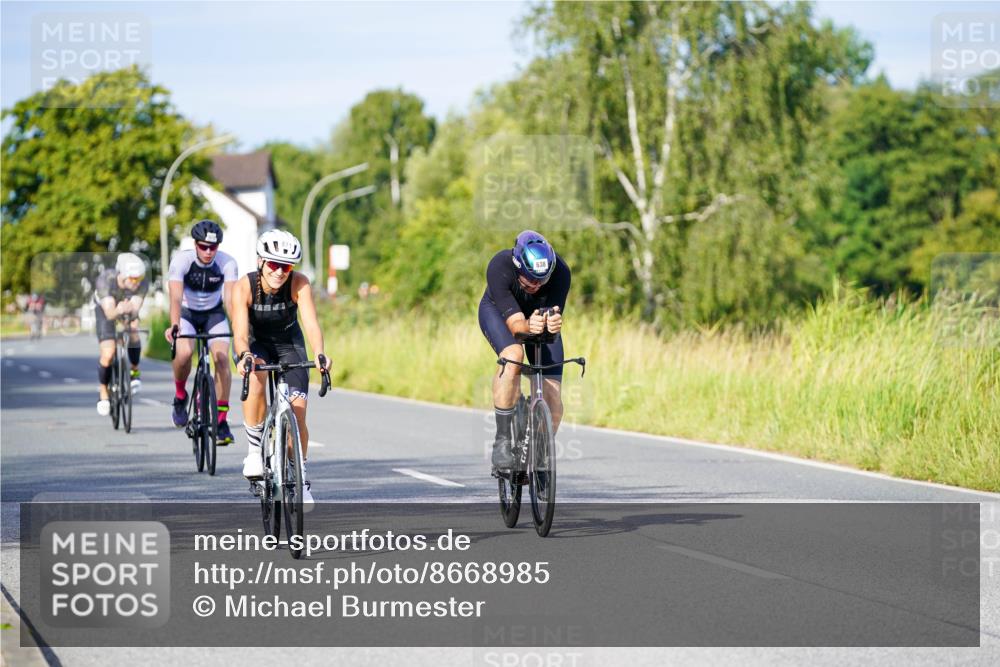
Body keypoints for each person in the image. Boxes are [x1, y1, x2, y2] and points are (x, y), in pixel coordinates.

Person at [231, 230, 331, 506]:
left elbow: (311, 324)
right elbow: (239, 333)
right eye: (273, 264)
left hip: (289, 344)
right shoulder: (244, 287)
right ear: (261, 261)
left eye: (285, 266)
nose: (279, 272)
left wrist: (321, 353)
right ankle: (254, 451)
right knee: (258, 374)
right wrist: (244, 355)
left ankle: (300, 478)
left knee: (297, 416)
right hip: (254, 345)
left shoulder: (299, 283)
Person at [479, 230, 571, 470]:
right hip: (500, 315)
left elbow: (551, 319)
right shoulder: (499, 266)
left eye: (542, 280)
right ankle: (502, 440)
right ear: (518, 267)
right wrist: (530, 326)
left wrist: (552, 323)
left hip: (536, 319)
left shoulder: (561, 272)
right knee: (514, 356)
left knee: (553, 399)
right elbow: (518, 328)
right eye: (530, 279)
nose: (536, 285)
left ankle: (540, 457)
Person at [164, 220, 239, 443]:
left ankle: (221, 421)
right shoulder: (181, 261)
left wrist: (239, 329)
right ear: (195, 244)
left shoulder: (227, 263)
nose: (208, 252)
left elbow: (230, 302)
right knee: (184, 352)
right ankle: (180, 396)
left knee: (222, 359)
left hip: (213, 315)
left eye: (212, 247)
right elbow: (176, 297)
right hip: (187, 313)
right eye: (203, 246)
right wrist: (174, 324)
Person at [94, 253, 148, 416]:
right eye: (132, 279)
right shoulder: (106, 281)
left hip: (125, 308)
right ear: (122, 276)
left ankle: (134, 371)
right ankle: (103, 392)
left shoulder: (141, 283)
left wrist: (129, 312)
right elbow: (110, 313)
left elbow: (135, 307)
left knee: (134, 329)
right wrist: (119, 309)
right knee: (108, 353)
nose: (136, 282)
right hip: (106, 310)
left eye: (139, 278)